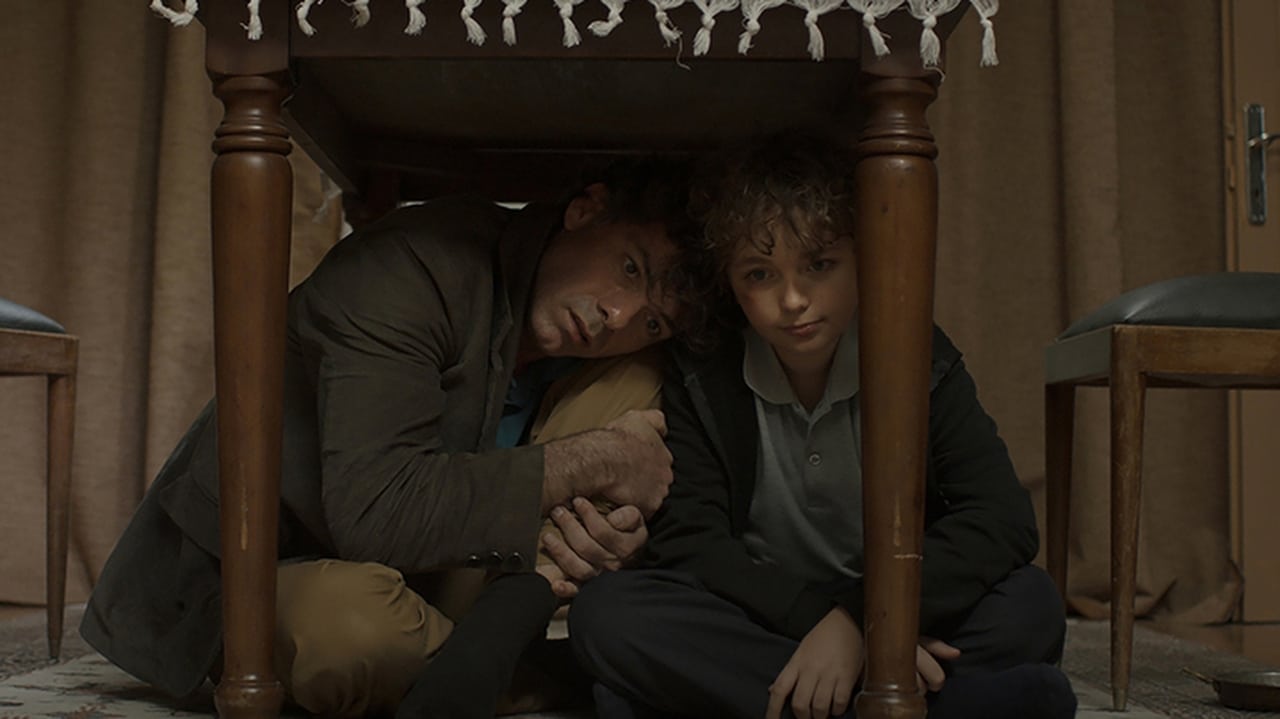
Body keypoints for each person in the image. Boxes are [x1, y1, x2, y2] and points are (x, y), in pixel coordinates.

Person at [80, 157, 705, 718]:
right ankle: (533, 677)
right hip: (270, 571)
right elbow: (378, 513)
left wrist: (615, 539)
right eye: (629, 268)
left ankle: (489, 647)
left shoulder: (603, 355)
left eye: (653, 320)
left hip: (439, 569)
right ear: (585, 210)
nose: (617, 315)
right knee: (351, 635)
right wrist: (597, 461)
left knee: (640, 379)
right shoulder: (413, 266)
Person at [569, 132, 1078, 719]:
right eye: (760, 274)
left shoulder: (915, 351)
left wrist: (861, 623)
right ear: (730, 283)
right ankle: (917, 705)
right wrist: (827, 627)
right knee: (608, 616)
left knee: (1032, 604)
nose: (793, 299)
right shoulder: (703, 367)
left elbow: (1001, 518)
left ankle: (758, 699)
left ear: (863, 260)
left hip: (890, 607)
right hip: (764, 613)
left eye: (819, 265)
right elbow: (693, 542)